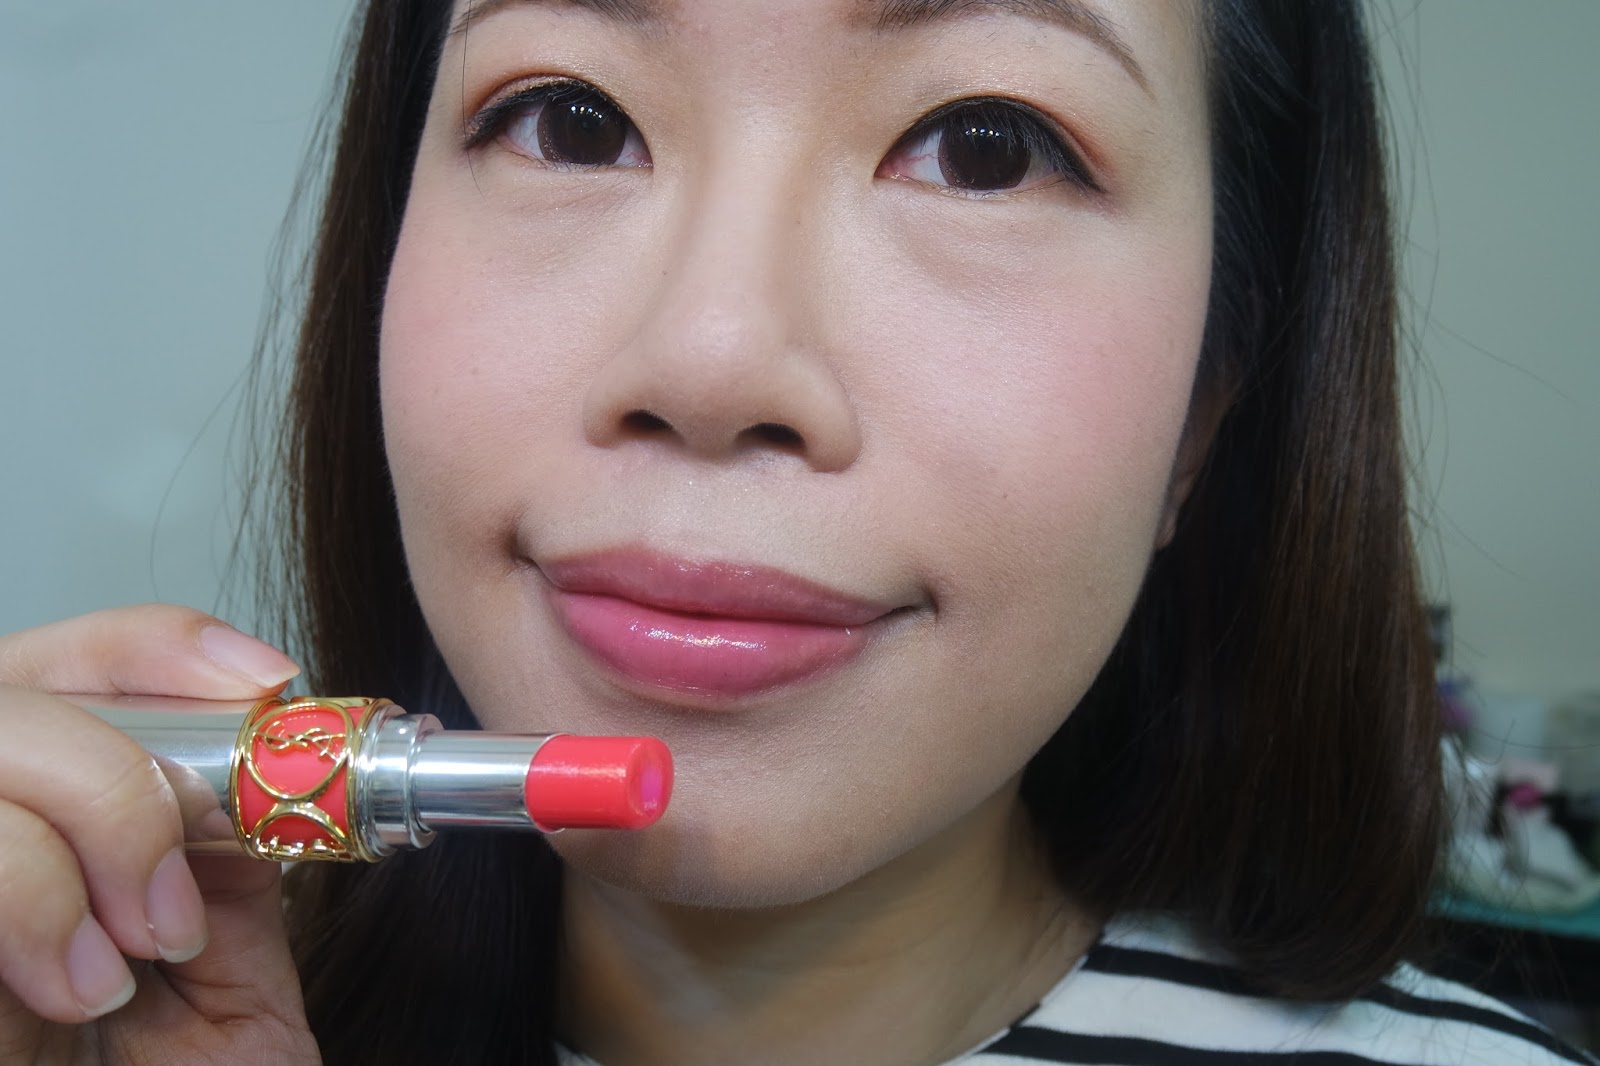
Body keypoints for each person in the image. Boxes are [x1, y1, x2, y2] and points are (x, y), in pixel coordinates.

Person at [0, 1, 1591, 1063]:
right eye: (569, 121)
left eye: (985, 146)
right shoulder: (139, 1022)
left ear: (1207, 407)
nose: (713, 359)